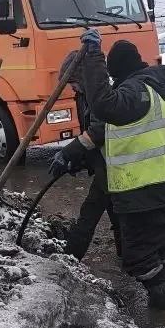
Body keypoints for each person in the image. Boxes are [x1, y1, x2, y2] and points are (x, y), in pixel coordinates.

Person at [80, 31, 165, 310]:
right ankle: (162, 310)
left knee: (137, 257)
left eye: (113, 75)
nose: (113, 81)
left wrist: (93, 56)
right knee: (159, 251)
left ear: (119, 70)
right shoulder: (156, 89)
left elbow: (104, 104)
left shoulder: (136, 92)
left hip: (143, 192)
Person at [49, 51, 121, 261]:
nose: (71, 87)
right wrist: (79, 161)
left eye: (72, 82)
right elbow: (90, 136)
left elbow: (99, 131)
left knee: (91, 213)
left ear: (82, 77)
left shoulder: (99, 95)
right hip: (105, 166)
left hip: (114, 166)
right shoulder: (84, 95)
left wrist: (68, 152)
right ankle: (125, 257)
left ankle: (71, 257)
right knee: (111, 213)